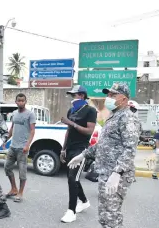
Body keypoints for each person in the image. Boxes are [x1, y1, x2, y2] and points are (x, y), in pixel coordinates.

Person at [68, 83, 140, 228]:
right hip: (105, 172)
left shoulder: (127, 118)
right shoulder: (114, 116)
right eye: (108, 95)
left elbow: (130, 149)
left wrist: (117, 172)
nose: (109, 98)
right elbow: (103, 144)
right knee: (105, 214)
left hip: (116, 175)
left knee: (111, 215)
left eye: (113, 95)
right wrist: (83, 155)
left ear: (124, 99)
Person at [59, 85, 97, 223]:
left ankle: (71, 211)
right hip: (70, 148)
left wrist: (72, 123)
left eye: (73, 95)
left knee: (72, 178)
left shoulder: (90, 111)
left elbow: (89, 131)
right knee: (73, 178)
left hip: (81, 149)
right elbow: (68, 131)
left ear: (81, 95)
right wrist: (63, 149)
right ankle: (84, 201)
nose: (72, 98)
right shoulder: (72, 110)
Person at [4, 93, 35, 203]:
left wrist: (27, 145)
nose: (21, 102)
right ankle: (13, 189)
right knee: (7, 167)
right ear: (16, 102)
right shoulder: (14, 113)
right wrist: (6, 139)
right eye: (19, 100)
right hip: (13, 146)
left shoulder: (30, 114)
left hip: (23, 148)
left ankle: (20, 193)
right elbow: (12, 127)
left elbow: (32, 131)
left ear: (25, 102)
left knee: (22, 171)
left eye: (23, 100)